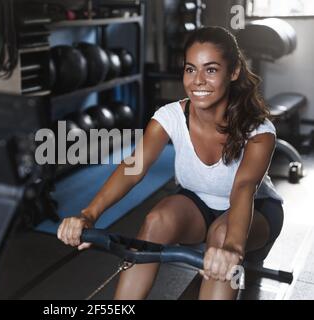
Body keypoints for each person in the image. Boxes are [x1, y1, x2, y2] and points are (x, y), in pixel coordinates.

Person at [57, 26, 284, 300]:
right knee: (156, 219)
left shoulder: (259, 130)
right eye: (191, 69)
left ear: (233, 72)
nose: (198, 80)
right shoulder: (169, 117)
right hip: (197, 204)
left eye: (210, 70)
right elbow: (133, 168)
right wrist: (89, 215)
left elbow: (244, 188)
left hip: (253, 212)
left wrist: (233, 248)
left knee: (221, 234)